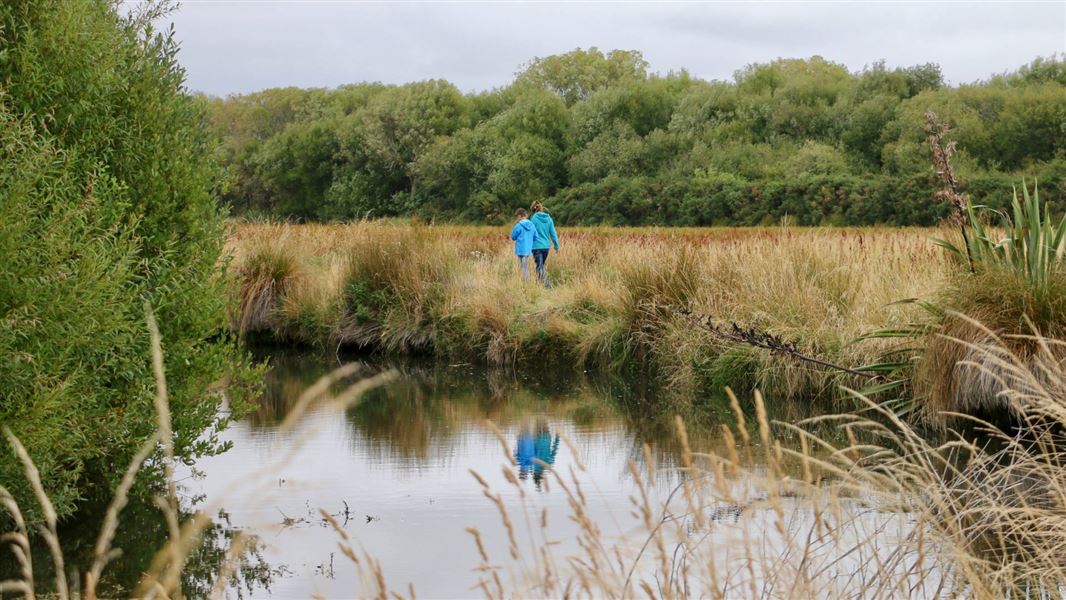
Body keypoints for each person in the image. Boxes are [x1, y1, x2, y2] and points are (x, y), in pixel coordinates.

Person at [529, 201, 559, 288]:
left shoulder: (533, 219)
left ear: (533, 210)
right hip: (546, 247)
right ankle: (539, 285)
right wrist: (556, 246)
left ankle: (547, 285)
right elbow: (553, 233)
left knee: (539, 265)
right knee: (540, 265)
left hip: (536, 246)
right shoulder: (549, 219)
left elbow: (531, 233)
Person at [510, 208, 535, 281]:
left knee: (523, 267)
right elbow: (536, 236)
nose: (517, 218)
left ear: (520, 216)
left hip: (520, 250)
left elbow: (513, 237)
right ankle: (525, 282)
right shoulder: (532, 225)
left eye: (517, 216)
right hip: (528, 250)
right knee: (525, 266)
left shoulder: (518, 225)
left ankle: (525, 282)